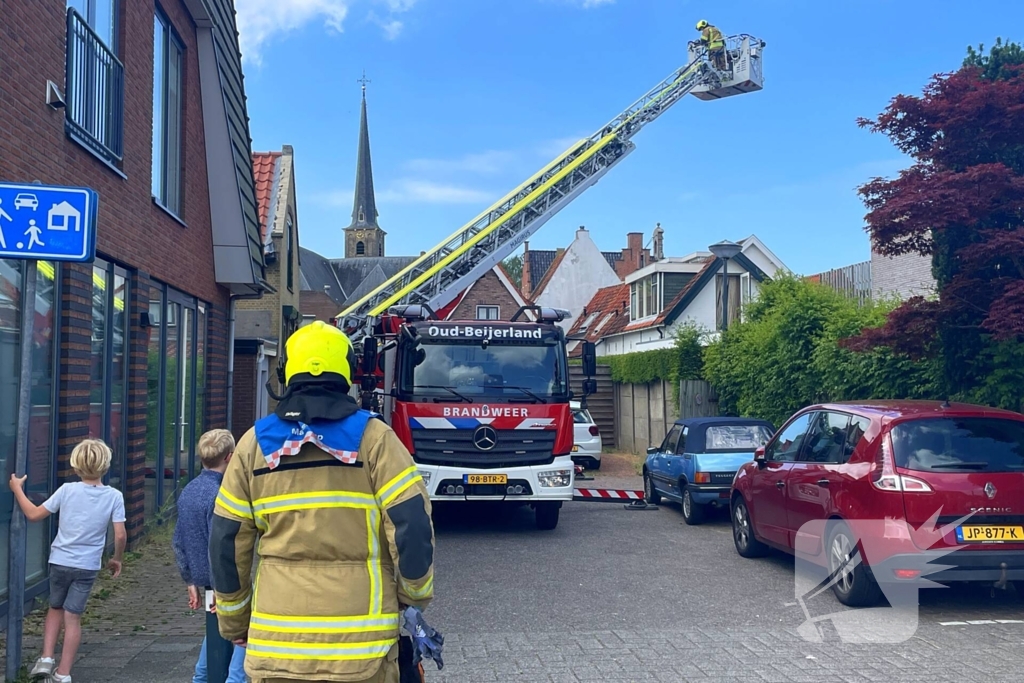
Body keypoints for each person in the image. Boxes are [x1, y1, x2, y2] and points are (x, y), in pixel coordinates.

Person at [210, 321, 436, 683]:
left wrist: (234, 620)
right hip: (364, 653)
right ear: (347, 372)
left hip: (277, 651)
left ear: (286, 373)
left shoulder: (253, 444)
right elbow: (411, 524)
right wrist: (413, 595)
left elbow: (225, 538)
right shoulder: (377, 439)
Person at [9, 439, 126, 683]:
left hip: (60, 561)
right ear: (106, 465)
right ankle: (62, 674)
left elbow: (33, 514)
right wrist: (116, 558)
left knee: (55, 608)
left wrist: (17, 488)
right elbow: (120, 534)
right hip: (87, 567)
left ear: (75, 466)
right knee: (72, 617)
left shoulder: (67, 490)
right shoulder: (114, 496)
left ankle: (46, 658)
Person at [173, 429, 248, 683]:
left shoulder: (189, 491)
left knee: (215, 640)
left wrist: (189, 580)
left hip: (205, 582)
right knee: (241, 636)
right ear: (230, 457)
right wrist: (220, 585)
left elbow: (178, 540)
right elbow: (219, 546)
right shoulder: (221, 496)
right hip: (221, 583)